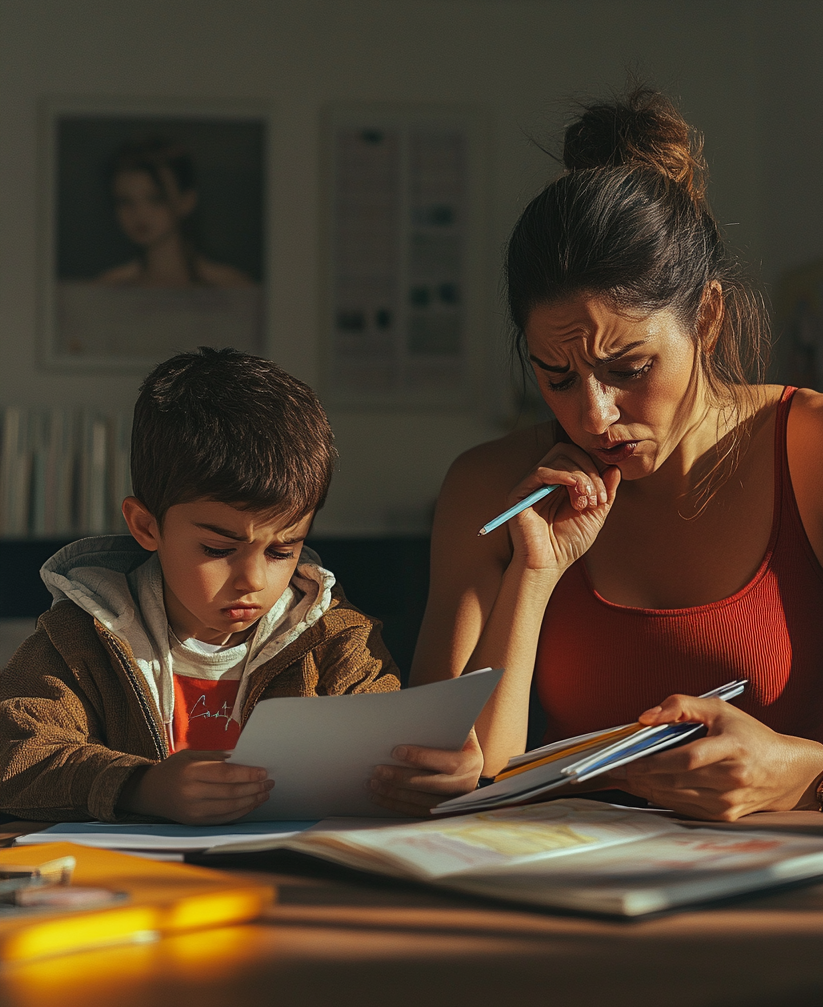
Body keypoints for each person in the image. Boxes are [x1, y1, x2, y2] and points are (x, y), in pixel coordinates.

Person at [389, 88, 823, 828]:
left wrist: (803, 773)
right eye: (556, 377)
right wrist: (534, 577)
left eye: (628, 368)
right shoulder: (493, 487)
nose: (593, 415)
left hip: (779, 899)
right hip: (556, 897)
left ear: (709, 318)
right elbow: (445, 780)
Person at [0, 348, 476, 824]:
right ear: (146, 526)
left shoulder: (335, 641)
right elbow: (15, 757)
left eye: (281, 551)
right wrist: (140, 787)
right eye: (217, 550)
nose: (253, 580)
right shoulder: (81, 638)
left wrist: (433, 773)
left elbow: (387, 756)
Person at [95, 137, 254, 289]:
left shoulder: (231, 286)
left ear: (187, 201)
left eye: (156, 199)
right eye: (125, 201)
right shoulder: (107, 287)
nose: (139, 213)